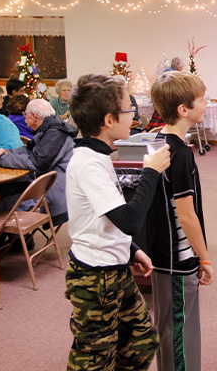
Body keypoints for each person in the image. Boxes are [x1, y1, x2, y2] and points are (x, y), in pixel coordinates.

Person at [64, 73, 170, 370]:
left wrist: (132, 249)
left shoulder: (98, 156)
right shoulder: (88, 163)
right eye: (129, 110)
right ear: (109, 120)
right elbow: (129, 220)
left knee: (139, 342)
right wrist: (151, 172)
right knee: (94, 358)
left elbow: (106, 218)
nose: (133, 115)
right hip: (95, 276)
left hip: (115, 266)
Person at [147, 71, 214, 371]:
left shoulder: (158, 143)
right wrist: (205, 258)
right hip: (178, 258)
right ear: (183, 110)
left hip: (163, 255)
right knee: (180, 332)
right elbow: (186, 214)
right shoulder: (181, 154)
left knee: (169, 327)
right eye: (202, 100)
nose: (206, 104)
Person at [0, 99, 78, 226]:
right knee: (9, 189)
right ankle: (20, 241)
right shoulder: (50, 128)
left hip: (56, 192)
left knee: (3, 207)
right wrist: (7, 153)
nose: (24, 116)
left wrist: (2, 159)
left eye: (25, 114)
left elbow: (37, 162)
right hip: (51, 184)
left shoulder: (55, 133)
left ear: (34, 117)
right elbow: (29, 150)